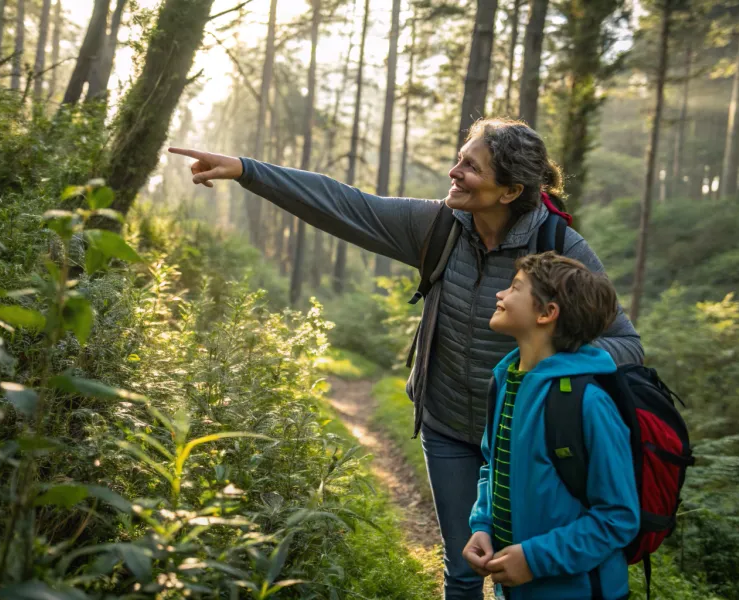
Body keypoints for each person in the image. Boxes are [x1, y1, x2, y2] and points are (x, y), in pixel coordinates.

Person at [168, 118, 643, 600]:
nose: (454, 172)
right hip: (447, 424)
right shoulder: (438, 226)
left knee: (524, 572)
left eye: (471, 167)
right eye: (459, 158)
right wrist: (248, 171)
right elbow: (345, 204)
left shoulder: (560, 252)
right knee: (462, 567)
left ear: (510, 191)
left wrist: (545, 358)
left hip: (523, 442)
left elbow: (627, 344)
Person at [462, 252, 640, 600]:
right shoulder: (506, 381)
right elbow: (492, 469)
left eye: (514, 288)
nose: (500, 295)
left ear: (546, 313)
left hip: (581, 592)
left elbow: (618, 517)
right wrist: (482, 526)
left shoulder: (588, 401)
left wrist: (534, 559)